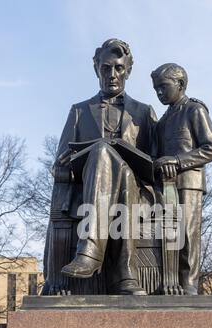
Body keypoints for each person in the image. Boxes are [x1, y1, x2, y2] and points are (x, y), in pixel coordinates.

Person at [44, 39, 157, 295]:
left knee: (119, 164)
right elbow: (59, 163)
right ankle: (124, 275)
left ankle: (90, 251)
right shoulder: (79, 112)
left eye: (118, 68)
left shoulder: (144, 113)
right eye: (106, 68)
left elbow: (156, 163)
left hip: (136, 190)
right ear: (96, 69)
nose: (112, 75)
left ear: (128, 70)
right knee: (101, 149)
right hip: (87, 188)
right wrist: (63, 165)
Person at [151, 63, 212, 295]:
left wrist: (178, 162)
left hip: (189, 183)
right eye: (156, 89)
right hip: (165, 186)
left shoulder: (194, 110)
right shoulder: (161, 121)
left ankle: (189, 282)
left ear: (180, 84)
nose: (159, 92)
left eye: (163, 86)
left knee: (188, 234)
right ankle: (170, 281)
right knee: (169, 235)